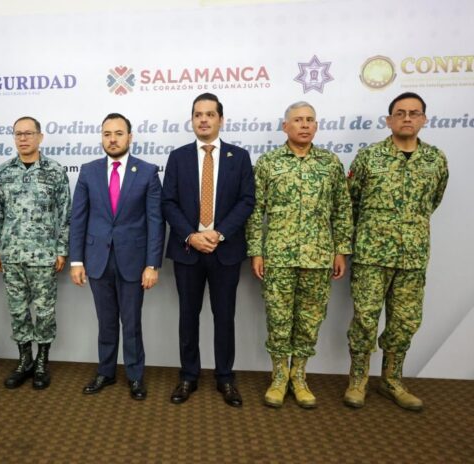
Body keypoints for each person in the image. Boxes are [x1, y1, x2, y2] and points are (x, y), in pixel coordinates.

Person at [343, 92, 448, 411]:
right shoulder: (369, 157)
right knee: (365, 319)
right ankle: (358, 379)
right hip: (371, 255)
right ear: (389, 120)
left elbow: (433, 201)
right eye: (400, 113)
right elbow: (351, 202)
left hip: (412, 257)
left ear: (424, 119)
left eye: (414, 113)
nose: (407, 118)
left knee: (405, 321)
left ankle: (392, 380)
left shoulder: (435, 160)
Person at [246, 102, 353, 408]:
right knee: (279, 319)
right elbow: (255, 211)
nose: (304, 125)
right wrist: (255, 250)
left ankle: (299, 376)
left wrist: (341, 250)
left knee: (309, 320)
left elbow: (342, 209)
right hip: (278, 256)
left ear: (316, 126)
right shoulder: (268, 163)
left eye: (309, 120)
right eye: (297, 120)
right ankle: (280, 377)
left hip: (318, 257)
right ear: (286, 126)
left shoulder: (330, 163)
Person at [162, 93, 255, 407]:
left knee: (224, 316)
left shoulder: (239, 157)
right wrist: (191, 235)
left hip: (224, 251)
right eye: (198, 114)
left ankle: (225, 377)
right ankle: (188, 375)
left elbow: (247, 201)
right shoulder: (178, 157)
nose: (203, 119)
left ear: (220, 120)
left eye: (210, 114)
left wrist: (219, 233)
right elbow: (168, 202)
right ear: (192, 120)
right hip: (188, 251)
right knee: (188, 316)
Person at [69, 113, 164, 400]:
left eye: (118, 133)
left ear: (130, 137)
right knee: (106, 321)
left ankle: (135, 376)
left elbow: (155, 221)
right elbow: (78, 218)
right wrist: (76, 261)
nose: (112, 139)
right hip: (97, 259)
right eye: (107, 134)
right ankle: (106, 372)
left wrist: (152, 264)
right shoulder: (88, 171)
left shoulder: (147, 172)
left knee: (131, 323)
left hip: (133, 262)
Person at [0, 116, 71, 390]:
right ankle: (24, 361)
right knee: (17, 311)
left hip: (44, 256)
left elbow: (66, 215)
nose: (23, 138)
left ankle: (41, 362)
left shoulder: (55, 171)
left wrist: (61, 250)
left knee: (45, 311)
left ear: (40, 137)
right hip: (11, 255)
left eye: (28, 133)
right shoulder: (3, 172)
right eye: (18, 134)